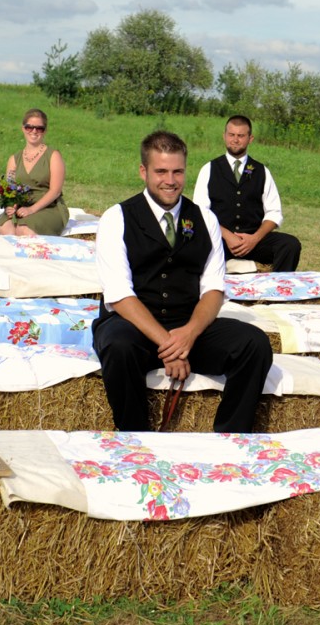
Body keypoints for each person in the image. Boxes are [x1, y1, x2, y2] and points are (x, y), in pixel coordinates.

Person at [93, 130, 274, 433]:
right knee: (118, 346)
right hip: (134, 326)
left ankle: (231, 435)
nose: (170, 180)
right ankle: (135, 436)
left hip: (187, 325)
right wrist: (170, 345)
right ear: (143, 171)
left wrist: (188, 335)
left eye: (177, 171)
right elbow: (119, 295)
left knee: (254, 344)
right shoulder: (116, 218)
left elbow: (213, 289)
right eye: (161, 171)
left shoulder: (205, 218)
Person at [190, 115, 301, 272]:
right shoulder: (208, 169)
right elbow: (201, 212)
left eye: (241, 136)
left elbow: (274, 214)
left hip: (254, 241)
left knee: (290, 245)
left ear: (250, 138)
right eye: (231, 135)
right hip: (220, 240)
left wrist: (254, 239)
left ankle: (276, 290)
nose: (235, 140)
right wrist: (228, 236)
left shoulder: (262, 171)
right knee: (192, 244)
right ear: (224, 136)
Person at [0, 107, 70, 237]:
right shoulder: (14, 159)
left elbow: (55, 191)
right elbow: (9, 189)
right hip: (21, 207)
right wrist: (11, 205)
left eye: (39, 128)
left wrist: (31, 209)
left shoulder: (53, 156)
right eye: (29, 127)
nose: (34, 131)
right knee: (4, 229)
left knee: (24, 231)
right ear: (23, 128)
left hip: (48, 207)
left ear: (45, 131)